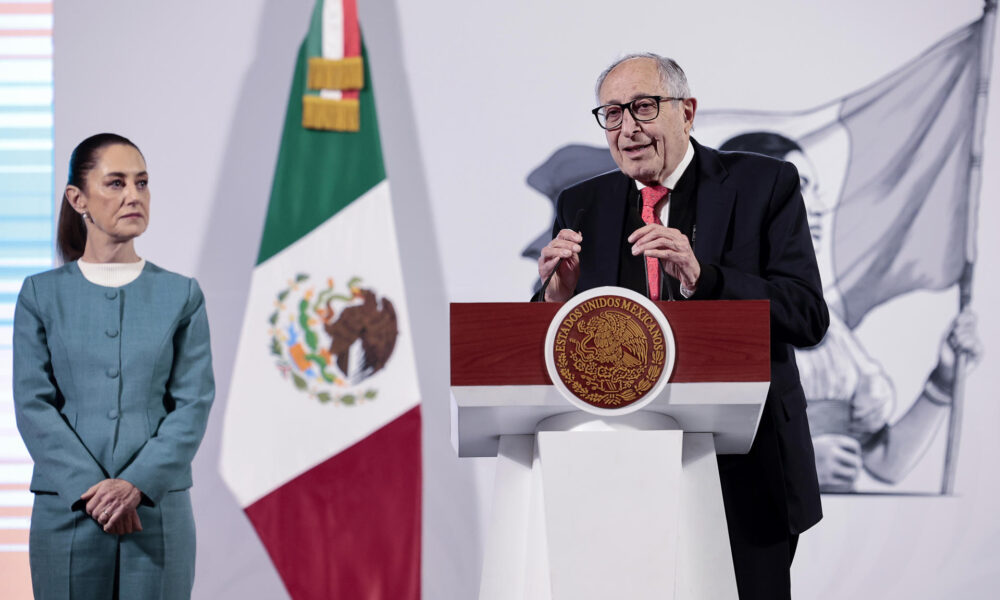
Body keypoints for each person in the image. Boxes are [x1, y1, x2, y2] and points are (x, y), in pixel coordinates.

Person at [537, 54, 829, 599]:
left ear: (687, 112)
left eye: (643, 107)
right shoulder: (582, 204)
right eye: (612, 114)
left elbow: (806, 315)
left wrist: (703, 279)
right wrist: (557, 298)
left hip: (746, 470)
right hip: (620, 472)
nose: (628, 128)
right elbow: (557, 345)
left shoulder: (764, 184)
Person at [720, 131, 982, 492]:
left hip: (840, 540)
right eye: (800, 188)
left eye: (813, 189)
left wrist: (943, 380)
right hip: (752, 538)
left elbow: (884, 463)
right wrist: (797, 464)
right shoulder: (703, 315)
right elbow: (691, 457)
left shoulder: (826, 327)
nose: (819, 206)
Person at [13, 133, 214, 599]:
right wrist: (93, 487)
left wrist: (136, 485)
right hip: (67, 511)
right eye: (117, 183)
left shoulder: (182, 294)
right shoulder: (41, 294)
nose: (133, 196)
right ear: (77, 199)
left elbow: (193, 404)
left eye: (142, 184)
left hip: (157, 510)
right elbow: (32, 404)